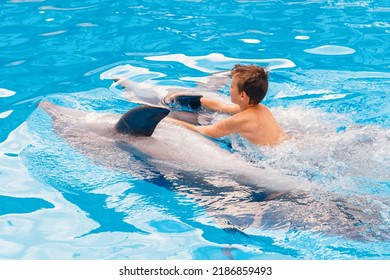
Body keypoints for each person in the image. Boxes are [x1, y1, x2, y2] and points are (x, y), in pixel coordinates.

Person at [166, 64, 289, 147]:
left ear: (242, 96)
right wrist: (199, 100)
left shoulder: (239, 120)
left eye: (231, 86)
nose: (229, 89)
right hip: (286, 146)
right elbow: (222, 107)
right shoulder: (262, 108)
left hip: (272, 158)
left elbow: (205, 131)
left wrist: (167, 120)